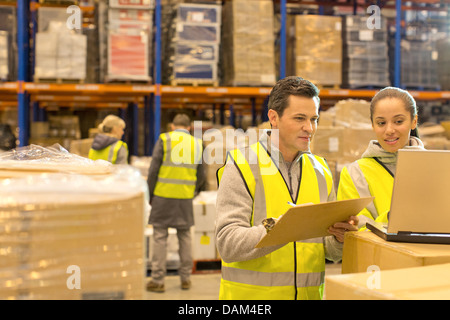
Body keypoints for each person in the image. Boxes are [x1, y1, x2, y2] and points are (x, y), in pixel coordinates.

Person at [215, 76, 358, 300]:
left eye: (314, 119)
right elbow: (228, 244)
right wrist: (281, 228)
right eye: (300, 118)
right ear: (274, 118)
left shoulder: (321, 170)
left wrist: (339, 239)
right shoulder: (242, 165)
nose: (309, 128)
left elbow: (327, 251)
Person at [337, 87, 425, 228]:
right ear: (372, 125)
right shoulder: (355, 173)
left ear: (414, 121)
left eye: (398, 121)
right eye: (381, 123)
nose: (389, 130)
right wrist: (394, 216)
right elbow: (356, 233)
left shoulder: (437, 168)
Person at [146, 113, 206, 293]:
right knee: (185, 236)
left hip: (163, 195)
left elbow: (153, 169)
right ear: (188, 128)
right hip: (185, 197)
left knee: (159, 237)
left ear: (173, 126)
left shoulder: (165, 140)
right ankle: (186, 278)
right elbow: (201, 174)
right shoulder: (197, 143)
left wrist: (150, 194)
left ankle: (157, 280)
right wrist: (194, 191)